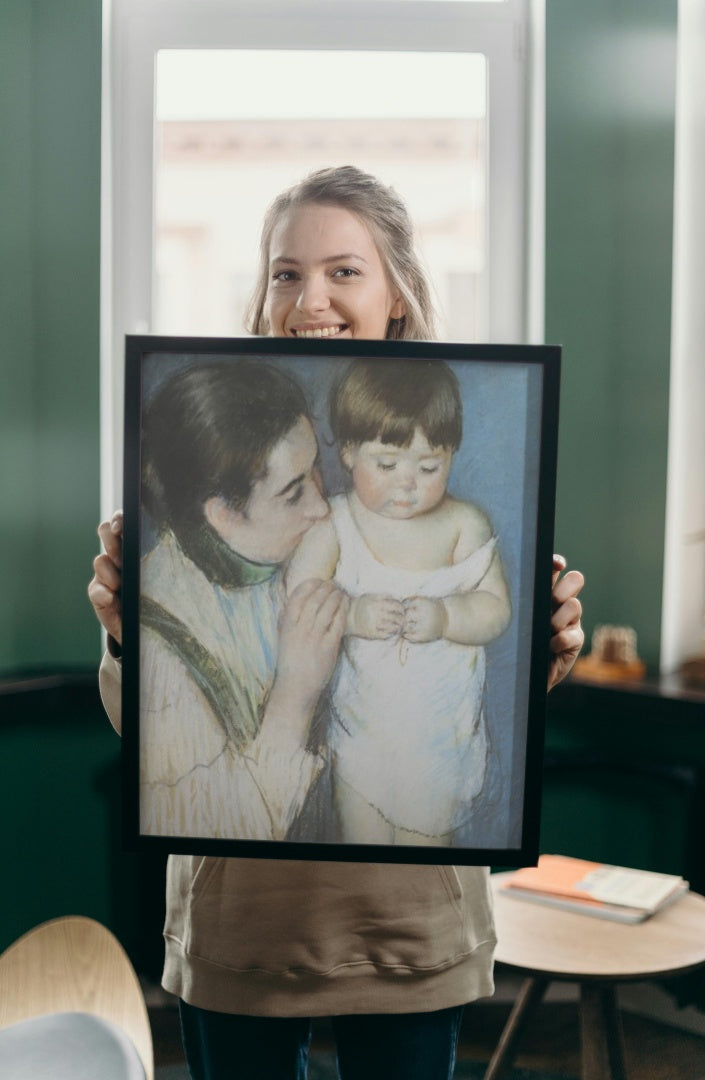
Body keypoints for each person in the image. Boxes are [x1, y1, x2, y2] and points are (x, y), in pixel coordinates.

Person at [89, 165, 585, 1080]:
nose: (309, 297)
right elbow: (156, 745)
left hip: (406, 919)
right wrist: (127, 635)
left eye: (343, 271)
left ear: (397, 291)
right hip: (246, 923)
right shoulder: (215, 474)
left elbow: (480, 672)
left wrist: (539, 653)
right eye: (285, 272)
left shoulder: (448, 479)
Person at [286, 358, 511, 846]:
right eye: (386, 465)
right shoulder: (335, 523)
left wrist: (450, 615)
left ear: (451, 454)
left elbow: (495, 608)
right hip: (361, 733)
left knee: (423, 861)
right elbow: (298, 601)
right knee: (360, 848)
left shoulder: (463, 524)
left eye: (429, 466)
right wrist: (352, 613)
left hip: (439, 740)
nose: (407, 482)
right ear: (348, 452)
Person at [136, 360, 346, 840]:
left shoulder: (309, 549)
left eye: (316, 470)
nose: (321, 505)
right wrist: (294, 696)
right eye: (294, 493)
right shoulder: (160, 642)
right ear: (222, 515)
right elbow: (217, 830)